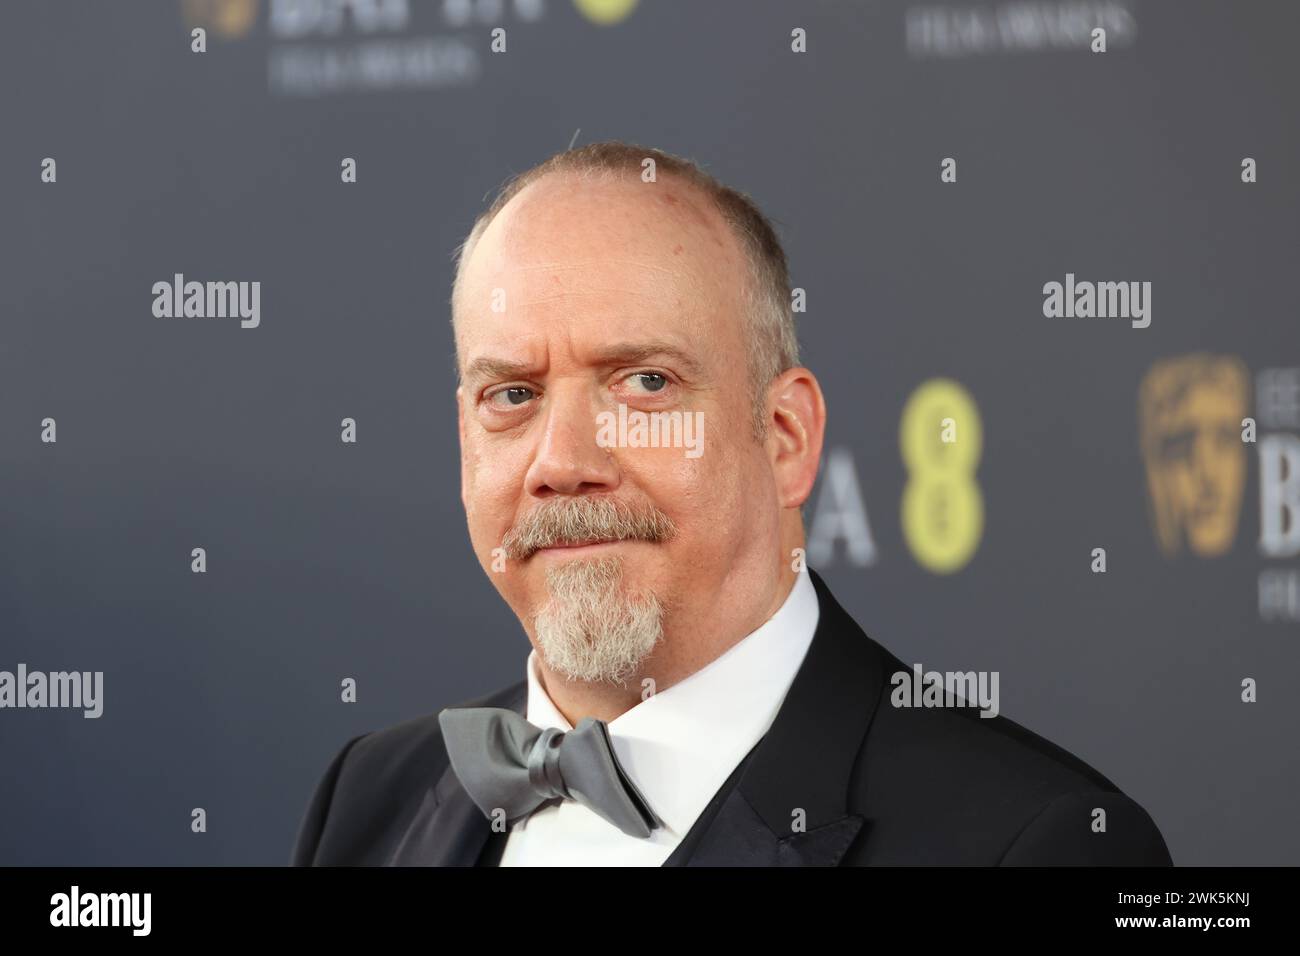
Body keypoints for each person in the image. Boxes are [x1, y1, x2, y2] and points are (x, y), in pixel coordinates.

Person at [291, 142, 1172, 866]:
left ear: (785, 436)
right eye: (512, 396)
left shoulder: (1039, 844)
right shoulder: (369, 803)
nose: (562, 462)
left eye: (643, 383)